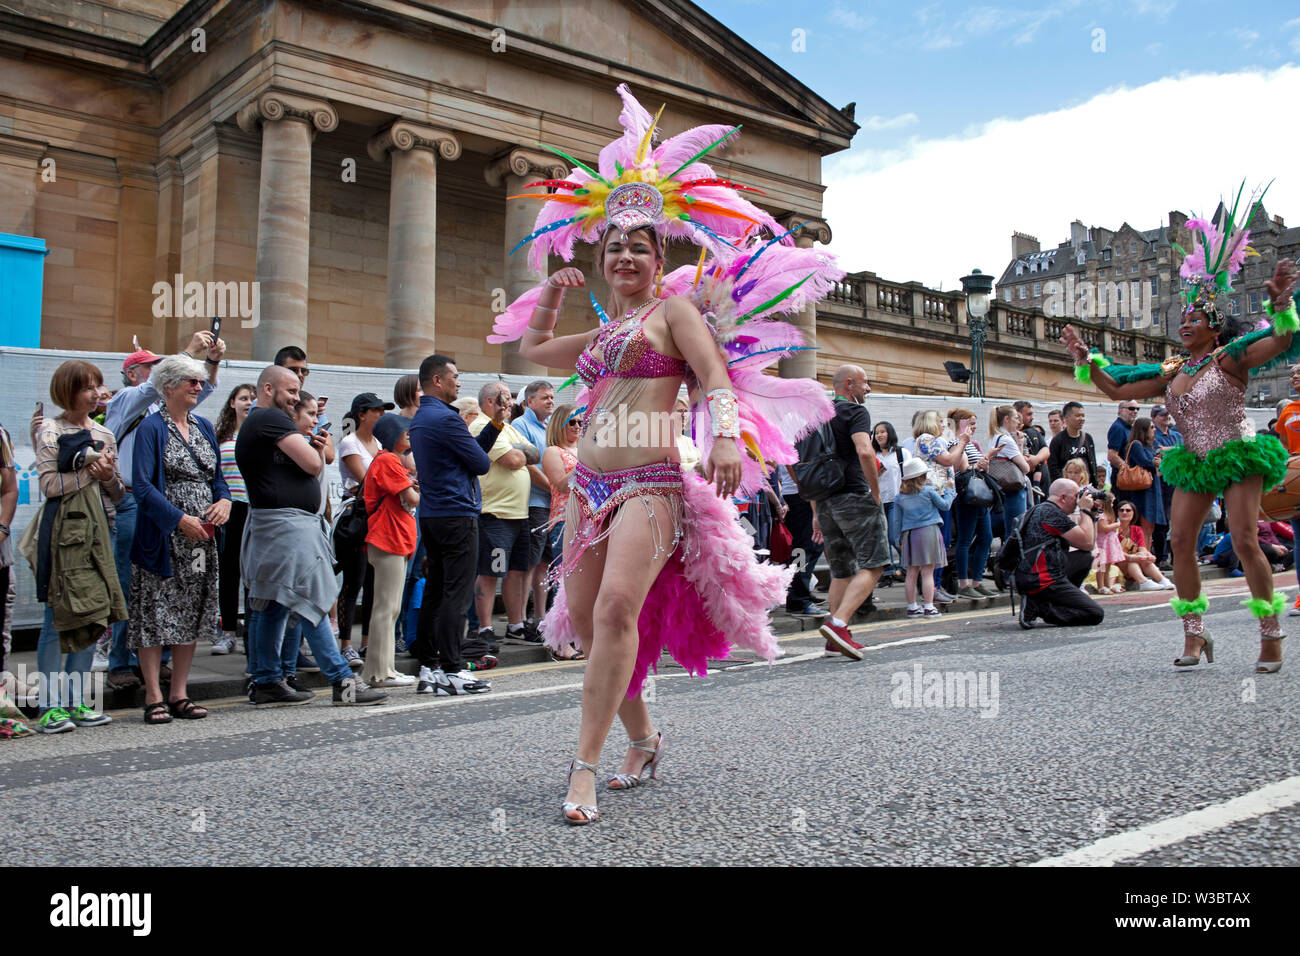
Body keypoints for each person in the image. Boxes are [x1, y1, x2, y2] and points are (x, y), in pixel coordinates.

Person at [496, 84, 829, 826]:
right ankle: (644, 737)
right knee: (589, 625)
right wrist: (552, 288)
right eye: (613, 245)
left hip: (651, 484)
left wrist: (726, 439)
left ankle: (581, 769)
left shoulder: (672, 313)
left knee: (618, 607)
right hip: (585, 488)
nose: (623, 255)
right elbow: (533, 348)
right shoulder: (606, 330)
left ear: (658, 253)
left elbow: (712, 377)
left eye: (637, 245)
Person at [1064, 194, 1297, 671]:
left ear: (1215, 328)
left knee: (1246, 538)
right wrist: (1086, 362)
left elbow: (1281, 339)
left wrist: (1281, 306)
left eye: (1195, 320)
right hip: (1194, 459)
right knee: (1184, 543)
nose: (1185, 324)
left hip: (1238, 455)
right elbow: (1115, 387)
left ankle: (1270, 636)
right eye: (1183, 320)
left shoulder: (1230, 358)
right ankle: (1194, 636)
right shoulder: (1172, 369)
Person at [236, 366, 387, 707]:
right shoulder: (270, 419)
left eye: (297, 391)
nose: (295, 397)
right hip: (286, 528)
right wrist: (315, 449)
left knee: (274, 603)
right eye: (290, 391)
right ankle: (341, 680)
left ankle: (266, 681)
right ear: (268, 388)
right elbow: (314, 465)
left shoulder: (262, 422)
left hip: (278, 526)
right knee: (313, 598)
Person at [102, 331, 223, 692]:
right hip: (135, 503)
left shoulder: (193, 421)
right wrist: (189, 354)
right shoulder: (129, 400)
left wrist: (210, 361)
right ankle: (123, 661)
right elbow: (143, 483)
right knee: (137, 587)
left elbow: (203, 391)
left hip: (196, 529)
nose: (196, 387)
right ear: (138, 374)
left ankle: (166, 665)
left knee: (185, 591)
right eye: (152, 368)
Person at [128, 355, 232, 724]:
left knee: (192, 607)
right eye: (190, 381)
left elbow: (217, 478)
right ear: (168, 385)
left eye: (200, 381)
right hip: (163, 536)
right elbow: (141, 485)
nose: (198, 387)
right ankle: (154, 694)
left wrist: (223, 501)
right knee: (155, 612)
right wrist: (178, 519)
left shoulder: (204, 426)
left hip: (201, 538)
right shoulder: (151, 428)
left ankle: (180, 692)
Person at [32, 360, 126, 732]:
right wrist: (89, 473)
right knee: (58, 617)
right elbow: (50, 487)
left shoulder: (105, 435)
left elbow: (118, 494)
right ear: (67, 391)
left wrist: (107, 478)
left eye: (97, 386)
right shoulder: (51, 430)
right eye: (87, 387)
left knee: (93, 615)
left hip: (101, 532)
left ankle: (77, 702)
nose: (95, 393)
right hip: (63, 534)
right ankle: (49, 705)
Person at [408, 354, 498, 695]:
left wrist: (496, 423)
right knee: (456, 594)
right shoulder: (447, 420)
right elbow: (479, 463)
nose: (459, 383)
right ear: (437, 380)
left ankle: (429, 669)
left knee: (436, 591)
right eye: (455, 377)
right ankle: (453, 669)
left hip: (432, 514)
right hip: (457, 514)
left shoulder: (422, 418)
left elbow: (471, 455)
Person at [804, 364, 887, 657]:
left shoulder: (816, 416)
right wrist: (875, 492)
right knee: (874, 563)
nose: (868, 389)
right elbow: (865, 451)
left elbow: (801, 462)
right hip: (853, 495)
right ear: (849, 384)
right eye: (865, 383)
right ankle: (838, 624)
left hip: (824, 500)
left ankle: (833, 639)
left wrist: (815, 508)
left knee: (841, 571)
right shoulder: (855, 412)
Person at [469, 381, 542, 648]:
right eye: (505, 398)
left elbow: (533, 454)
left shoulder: (509, 429)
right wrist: (518, 453)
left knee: (517, 571)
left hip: (519, 514)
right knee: (490, 572)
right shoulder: (480, 426)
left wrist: (518, 453)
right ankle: (485, 627)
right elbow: (512, 460)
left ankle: (516, 626)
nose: (511, 402)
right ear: (490, 400)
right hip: (495, 514)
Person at [360, 414, 420, 689]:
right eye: (403, 431)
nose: (407, 434)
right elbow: (412, 498)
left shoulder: (391, 460)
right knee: (386, 608)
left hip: (394, 539)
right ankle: (378, 672)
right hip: (388, 539)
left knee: (390, 607)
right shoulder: (387, 460)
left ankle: (386, 668)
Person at [336, 392, 393, 665]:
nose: (381, 415)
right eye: (376, 410)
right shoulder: (350, 443)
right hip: (357, 518)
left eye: (383, 411)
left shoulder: (379, 443)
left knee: (373, 581)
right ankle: (346, 643)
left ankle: (367, 642)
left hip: (377, 517)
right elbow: (366, 482)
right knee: (353, 580)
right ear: (361, 414)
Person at [1015, 479, 1104, 629]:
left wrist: (1092, 514)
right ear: (1063, 497)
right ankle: (1042, 608)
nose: (1077, 502)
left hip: (1030, 574)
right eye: (1075, 497)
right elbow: (1087, 542)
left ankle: (1045, 601)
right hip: (1042, 579)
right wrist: (1085, 511)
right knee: (1095, 613)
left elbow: (1086, 545)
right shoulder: (1052, 514)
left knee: (1084, 558)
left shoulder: (1042, 509)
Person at [541, 403, 585, 660]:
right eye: (572, 423)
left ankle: (578, 636)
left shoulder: (582, 450)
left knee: (582, 583)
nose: (578, 427)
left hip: (589, 521)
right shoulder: (552, 451)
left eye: (581, 423)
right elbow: (559, 482)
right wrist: (587, 462)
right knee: (564, 581)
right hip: (563, 521)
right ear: (560, 424)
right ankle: (559, 640)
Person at [213, 382, 255, 655]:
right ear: (232, 403)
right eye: (243, 398)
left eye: (252, 398)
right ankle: (228, 632)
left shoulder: (258, 435)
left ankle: (252, 633)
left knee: (252, 573)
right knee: (228, 572)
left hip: (255, 509)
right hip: (230, 510)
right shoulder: (221, 438)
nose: (248, 403)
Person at [513, 380, 555, 640]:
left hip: (551, 504)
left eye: (552, 397)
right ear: (529, 402)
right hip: (534, 503)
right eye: (544, 397)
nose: (550, 401)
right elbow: (527, 465)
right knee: (528, 563)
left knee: (545, 564)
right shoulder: (520, 426)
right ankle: (520, 620)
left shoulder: (549, 426)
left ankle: (539, 617)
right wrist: (554, 487)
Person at [912, 409, 968, 604]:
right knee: (938, 543)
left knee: (943, 542)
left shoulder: (936, 441)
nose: (944, 426)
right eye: (940, 422)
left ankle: (936, 585)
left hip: (944, 494)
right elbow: (949, 460)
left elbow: (960, 463)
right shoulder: (926, 439)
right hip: (935, 496)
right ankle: (932, 587)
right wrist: (961, 442)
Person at [895, 457, 955, 617]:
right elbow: (945, 505)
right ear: (921, 476)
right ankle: (929, 607)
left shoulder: (900, 497)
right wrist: (949, 489)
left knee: (911, 573)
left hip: (909, 534)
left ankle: (912, 607)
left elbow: (896, 521)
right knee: (927, 572)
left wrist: (897, 539)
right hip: (929, 531)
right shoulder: (928, 491)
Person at [947, 409, 996, 599]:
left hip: (980, 495)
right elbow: (961, 468)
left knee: (986, 537)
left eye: (975, 423)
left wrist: (985, 462)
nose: (974, 427)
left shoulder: (971, 444)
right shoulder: (955, 442)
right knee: (965, 539)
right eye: (971, 423)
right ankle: (963, 584)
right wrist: (979, 463)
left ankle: (977, 581)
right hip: (966, 495)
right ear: (960, 423)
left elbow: (978, 467)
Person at [872, 421, 912, 587]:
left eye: (883, 432)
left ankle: (908, 566)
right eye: (876, 432)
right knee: (882, 539)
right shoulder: (872, 454)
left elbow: (911, 474)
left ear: (890, 434)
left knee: (894, 537)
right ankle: (887, 573)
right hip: (879, 501)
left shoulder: (901, 453)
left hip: (896, 501)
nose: (879, 435)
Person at [1118, 417, 1167, 542]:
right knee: (1144, 528)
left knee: (1150, 530)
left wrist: (1159, 462)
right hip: (1143, 490)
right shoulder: (1136, 445)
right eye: (1152, 427)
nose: (1155, 430)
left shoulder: (1150, 446)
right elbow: (1145, 462)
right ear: (1144, 429)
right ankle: (1143, 557)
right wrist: (1156, 462)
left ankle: (1147, 556)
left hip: (1152, 487)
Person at [988, 405, 1033, 537]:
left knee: (1009, 530)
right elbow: (1025, 468)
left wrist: (1019, 443)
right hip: (1015, 489)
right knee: (1016, 531)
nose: (1018, 422)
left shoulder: (994, 438)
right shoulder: (1006, 439)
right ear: (1007, 419)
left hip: (1002, 489)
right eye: (1015, 418)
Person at [1114, 500, 1174, 591]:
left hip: (1134, 563)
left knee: (1146, 559)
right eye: (1121, 510)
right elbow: (1115, 553)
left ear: (1133, 513)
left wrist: (1147, 555)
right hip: (1117, 564)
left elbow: (1142, 548)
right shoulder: (1113, 530)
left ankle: (1163, 580)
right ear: (1117, 513)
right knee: (1133, 561)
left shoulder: (1137, 529)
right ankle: (1143, 582)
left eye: (1128, 510)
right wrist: (1132, 557)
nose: (1124, 512)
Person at [1150, 404, 1182, 566]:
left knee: (1180, 521)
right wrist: (1176, 450)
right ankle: (1162, 558)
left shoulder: (1176, 435)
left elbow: (1188, 451)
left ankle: (1180, 557)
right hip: (1162, 484)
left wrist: (1169, 450)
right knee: (1161, 522)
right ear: (1154, 418)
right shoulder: (1153, 435)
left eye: (1167, 414)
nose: (1166, 417)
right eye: (1162, 415)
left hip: (1178, 482)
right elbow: (1157, 452)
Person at [1047, 401, 1099, 486]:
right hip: (1067, 488)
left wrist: (1094, 486)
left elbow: (1092, 464)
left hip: (1086, 487)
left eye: (1083, 416)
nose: (1082, 419)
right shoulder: (1057, 440)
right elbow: (1053, 468)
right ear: (1066, 418)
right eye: (1078, 416)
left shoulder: (1087, 438)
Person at [1014, 400, 1052, 495]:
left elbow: (1046, 449)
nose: (1032, 418)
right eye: (1028, 414)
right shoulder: (1010, 435)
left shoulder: (1033, 431)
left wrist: (1037, 458)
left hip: (1043, 485)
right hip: (1024, 485)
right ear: (1018, 414)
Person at [1093, 497, 1124, 594]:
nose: (1112, 505)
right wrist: (1117, 525)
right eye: (1111, 502)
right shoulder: (1101, 514)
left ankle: (1107, 585)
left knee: (1108, 565)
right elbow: (1104, 528)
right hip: (1103, 543)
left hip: (1109, 542)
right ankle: (1101, 586)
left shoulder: (1108, 515)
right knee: (1102, 565)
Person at [1106, 400, 1140, 480]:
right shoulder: (1118, 428)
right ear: (1121, 410)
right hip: (1122, 477)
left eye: (1137, 409)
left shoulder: (1129, 428)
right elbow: (1112, 455)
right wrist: (1129, 471)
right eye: (1131, 408)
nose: (1135, 411)